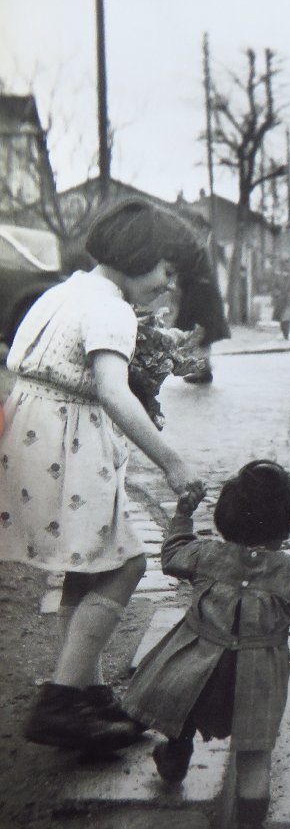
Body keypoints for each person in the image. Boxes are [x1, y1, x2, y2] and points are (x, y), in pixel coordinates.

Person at [0, 197, 205, 751]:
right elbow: (112, 391)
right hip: (64, 448)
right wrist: (172, 461)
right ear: (139, 256)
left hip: (32, 436)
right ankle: (62, 700)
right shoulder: (111, 309)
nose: (168, 286)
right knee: (127, 565)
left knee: (87, 563)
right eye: (166, 271)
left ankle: (85, 690)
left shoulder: (62, 292)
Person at [123, 460, 290, 829]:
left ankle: (176, 755)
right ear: (286, 527)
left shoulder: (207, 555)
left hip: (200, 663)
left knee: (184, 706)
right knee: (255, 758)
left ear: (226, 520)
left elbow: (172, 555)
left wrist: (182, 515)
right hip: (257, 679)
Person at [175, 243, 231, 384]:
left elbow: (185, 276)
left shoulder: (196, 259)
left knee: (200, 336)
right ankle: (203, 370)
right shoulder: (201, 256)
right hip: (203, 299)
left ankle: (201, 371)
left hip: (199, 301)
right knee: (203, 337)